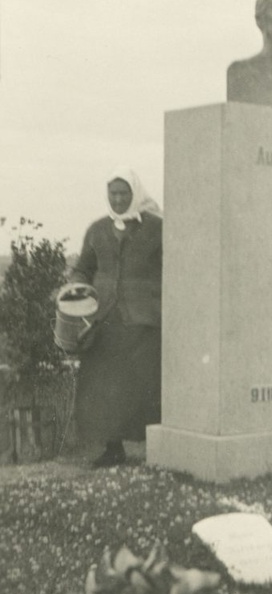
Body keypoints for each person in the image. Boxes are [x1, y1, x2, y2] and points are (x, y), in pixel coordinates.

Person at [71, 168, 162, 467]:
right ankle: (113, 449)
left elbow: (174, 266)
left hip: (142, 319)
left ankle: (158, 448)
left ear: (135, 194)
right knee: (103, 385)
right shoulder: (97, 230)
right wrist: (76, 290)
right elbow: (84, 268)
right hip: (104, 318)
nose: (119, 199)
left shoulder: (156, 228)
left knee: (142, 385)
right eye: (114, 194)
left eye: (124, 193)